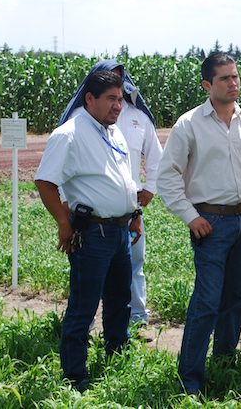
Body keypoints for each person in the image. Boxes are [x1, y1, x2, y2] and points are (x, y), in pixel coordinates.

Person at [156, 52, 241, 395]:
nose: (233, 83)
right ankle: (190, 380)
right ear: (206, 85)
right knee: (207, 300)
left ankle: (224, 364)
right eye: (225, 78)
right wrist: (191, 216)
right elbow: (167, 177)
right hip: (210, 224)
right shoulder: (189, 125)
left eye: (235, 76)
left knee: (236, 297)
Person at [35, 70, 141, 391]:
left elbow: (123, 179)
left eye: (120, 99)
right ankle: (75, 375)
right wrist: (63, 223)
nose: (118, 106)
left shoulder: (114, 132)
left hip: (120, 231)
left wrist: (134, 213)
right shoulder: (69, 133)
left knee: (120, 300)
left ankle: (116, 357)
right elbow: (45, 181)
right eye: (111, 99)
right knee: (84, 305)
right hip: (92, 234)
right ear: (90, 99)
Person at [59, 60, 163, 325]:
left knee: (133, 266)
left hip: (129, 210)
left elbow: (156, 158)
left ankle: (136, 317)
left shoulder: (138, 118)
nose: (116, 102)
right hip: (91, 217)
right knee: (89, 276)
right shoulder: (77, 120)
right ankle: (85, 326)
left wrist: (149, 190)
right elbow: (57, 173)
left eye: (118, 80)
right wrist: (65, 208)